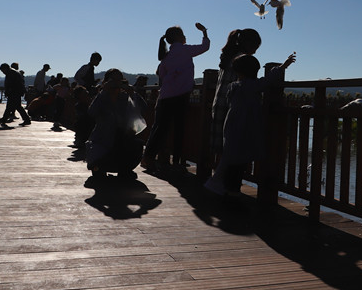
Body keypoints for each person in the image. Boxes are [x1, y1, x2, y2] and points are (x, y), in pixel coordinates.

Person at [204, 51, 296, 196]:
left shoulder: (233, 87)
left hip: (231, 125)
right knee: (238, 162)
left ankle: (223, 186)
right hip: (244, 128)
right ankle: (231, 191)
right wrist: (283, 66)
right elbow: (268, 80)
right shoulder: (250, 86)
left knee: (231, 158)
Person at [142, 23, 210, 174]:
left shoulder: (166, 56)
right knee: (179, 130)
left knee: (159, 129)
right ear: (179, 37)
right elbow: (205, 47)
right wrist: (204, 32)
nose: (185, 36)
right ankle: (177, 162)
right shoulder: (186, 50)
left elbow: (161, 75)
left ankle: (148, 157)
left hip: (165, 97)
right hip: (181, 96)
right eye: (183, 34)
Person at [85, 69, 149, 181]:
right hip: (103, 139)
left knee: (136, 144)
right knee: (98, 157)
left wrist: (133, 94)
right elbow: (91, 112)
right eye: (113, 80)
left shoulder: (125, 97)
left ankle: (124, 169)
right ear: (106, 82)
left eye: (119, 80)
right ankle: (99, 168)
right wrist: (103, 91)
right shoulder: (102, 97)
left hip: (122, 138)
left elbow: (144, 109)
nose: (116, 83)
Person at [210, 29, 262, 158]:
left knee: (220, 145)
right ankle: (225, 170)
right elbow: (249, 84)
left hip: (219, 103)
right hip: (231, 106)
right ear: (249, 44)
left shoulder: (228, 56)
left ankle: (217, 170)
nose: (255, 52)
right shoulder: (243, 60)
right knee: (231, 145)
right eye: (255, 47)